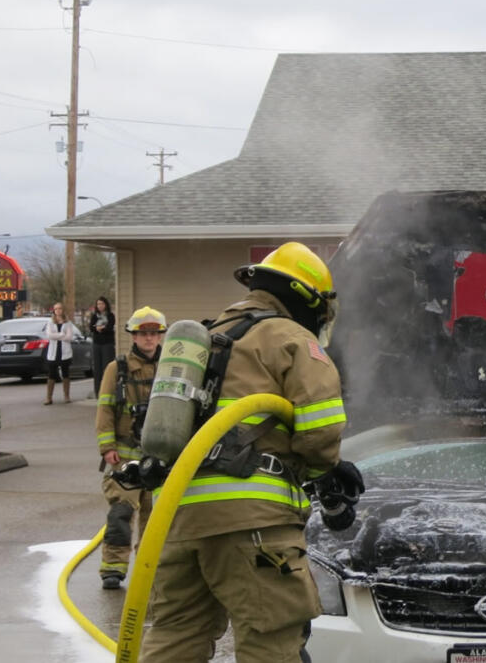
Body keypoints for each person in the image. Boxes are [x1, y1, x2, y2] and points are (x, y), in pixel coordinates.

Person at [140, 242, 355, 663]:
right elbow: (320, 431)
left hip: (180, 519)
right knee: (270, 640)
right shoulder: (291, 338)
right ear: (308, 299)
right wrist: (326, 470)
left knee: (175, 637)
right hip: (253, 524)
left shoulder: (209, 338)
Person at [95, 306, 165, 590]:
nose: (149, 339)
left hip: (160, 455)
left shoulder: (170, 367)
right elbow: (105, 409)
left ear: (161, 336)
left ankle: (150, 569)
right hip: (125, 454)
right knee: (121, 513)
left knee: (156, 518)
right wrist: (107, 447)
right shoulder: (117, 368)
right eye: (143, 334)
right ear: (133, 336)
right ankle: (113, 568)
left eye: (154, 333)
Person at [45, 302, 74, 405]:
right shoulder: (50, 322)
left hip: (65, 352)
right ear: (54, 310)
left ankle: (66, 396)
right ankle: (49, 397)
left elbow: (69, 337)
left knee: (66, 373)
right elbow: (49, 335)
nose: (58, 311)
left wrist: (57, 335)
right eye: (56, 309)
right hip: (53, 352)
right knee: (51, 374)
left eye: (60, 309)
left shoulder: (68, 323)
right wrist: (62, 334)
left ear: (63, 310)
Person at [90, 296, 117, 400]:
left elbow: (110, 327)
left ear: (106, 305)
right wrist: (96, 328)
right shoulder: (94, 316)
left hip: (107, 344)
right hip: (97, 344)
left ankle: (108, 392)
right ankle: (98, 393)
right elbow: (91, 327)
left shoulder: (110, 315)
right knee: (97, 369)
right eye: (98, 304)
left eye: (102, 304)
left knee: (107, 368)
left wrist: (101, 329)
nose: (100, 306)